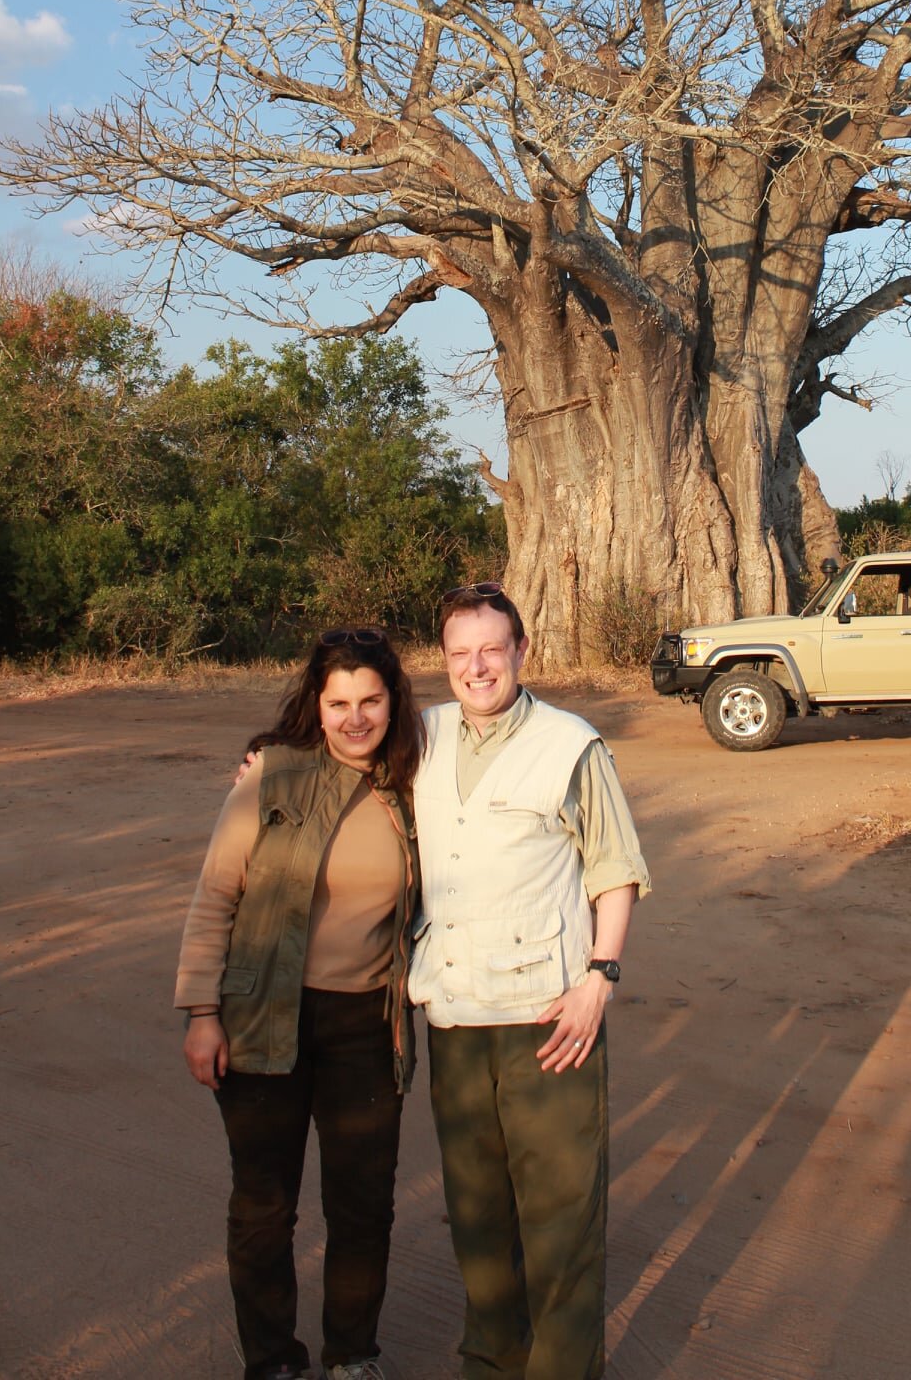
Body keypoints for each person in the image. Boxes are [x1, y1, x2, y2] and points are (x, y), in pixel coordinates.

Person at [410, 582, 650, 1380]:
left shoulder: (569, 743)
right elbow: (335, 744)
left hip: (550, 1019)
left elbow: (613, 870)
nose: (477, 668)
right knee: (478, 1219)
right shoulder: (424, 736)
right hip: (452, 1016)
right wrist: (264, 757)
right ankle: (493, 1363)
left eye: (492, 649)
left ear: (522, 651)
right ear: (443, 661)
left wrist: (599, 978)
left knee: (561, 1222)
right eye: (460, 654)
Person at [176, 627, 422, 1380]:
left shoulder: (416, 786)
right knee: (264, 1206)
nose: (355, 718)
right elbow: (216, 894)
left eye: (371, 700)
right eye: (339, 701)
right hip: (261, 1018)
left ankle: (352, 1354)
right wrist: (201, 1013)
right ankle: (272, 1362)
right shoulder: (271, 776)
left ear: (393, 701)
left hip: (365, 1026)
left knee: (362, 1206)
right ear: (315, 706)